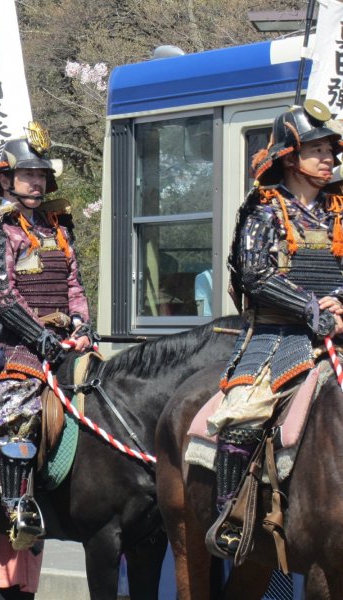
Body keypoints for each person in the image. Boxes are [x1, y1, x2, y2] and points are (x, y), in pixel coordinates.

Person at [0, 122, 94, 549]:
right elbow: (1, 296)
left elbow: (74, 286)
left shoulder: (57, 229)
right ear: (7, 180)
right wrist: (39, 337)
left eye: (42, 175)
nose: (37, 181)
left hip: (63, 339)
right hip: (9, 344)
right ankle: (17, 507)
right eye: (29, 174)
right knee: (18, 408)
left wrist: (82, 324)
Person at [206, 102, 343, 555]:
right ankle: (232, 515)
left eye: (330, 151)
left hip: (336, 328)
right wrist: (309, 308)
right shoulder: (263, 209)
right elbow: (255, 276)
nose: (329, 158)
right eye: (318, 150)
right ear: (290, 156)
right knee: (244, 414)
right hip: (277, 337)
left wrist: (339, 302)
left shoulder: (338, 209)